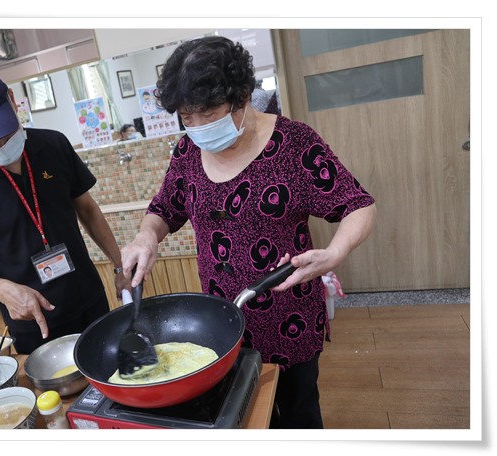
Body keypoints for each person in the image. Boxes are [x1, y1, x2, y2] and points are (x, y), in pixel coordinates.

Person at [120, 36, 376, 429]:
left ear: (242, 97)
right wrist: (146, 236)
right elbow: (163, 209)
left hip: (289, 316)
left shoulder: (294, 144)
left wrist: (336, 251)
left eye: (208, 114)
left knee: (298, 415)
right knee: (242, 415)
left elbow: (358, 204)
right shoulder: (187, 153)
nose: (197, 126)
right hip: (222, 319)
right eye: (187, 117)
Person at [0, 66, 129, 355]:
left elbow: (87, 210)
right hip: (31, 319)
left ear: (12, 100)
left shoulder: (53, 145)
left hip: (87, 296)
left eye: (2, 130)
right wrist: (3, 290)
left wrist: (119, 266)